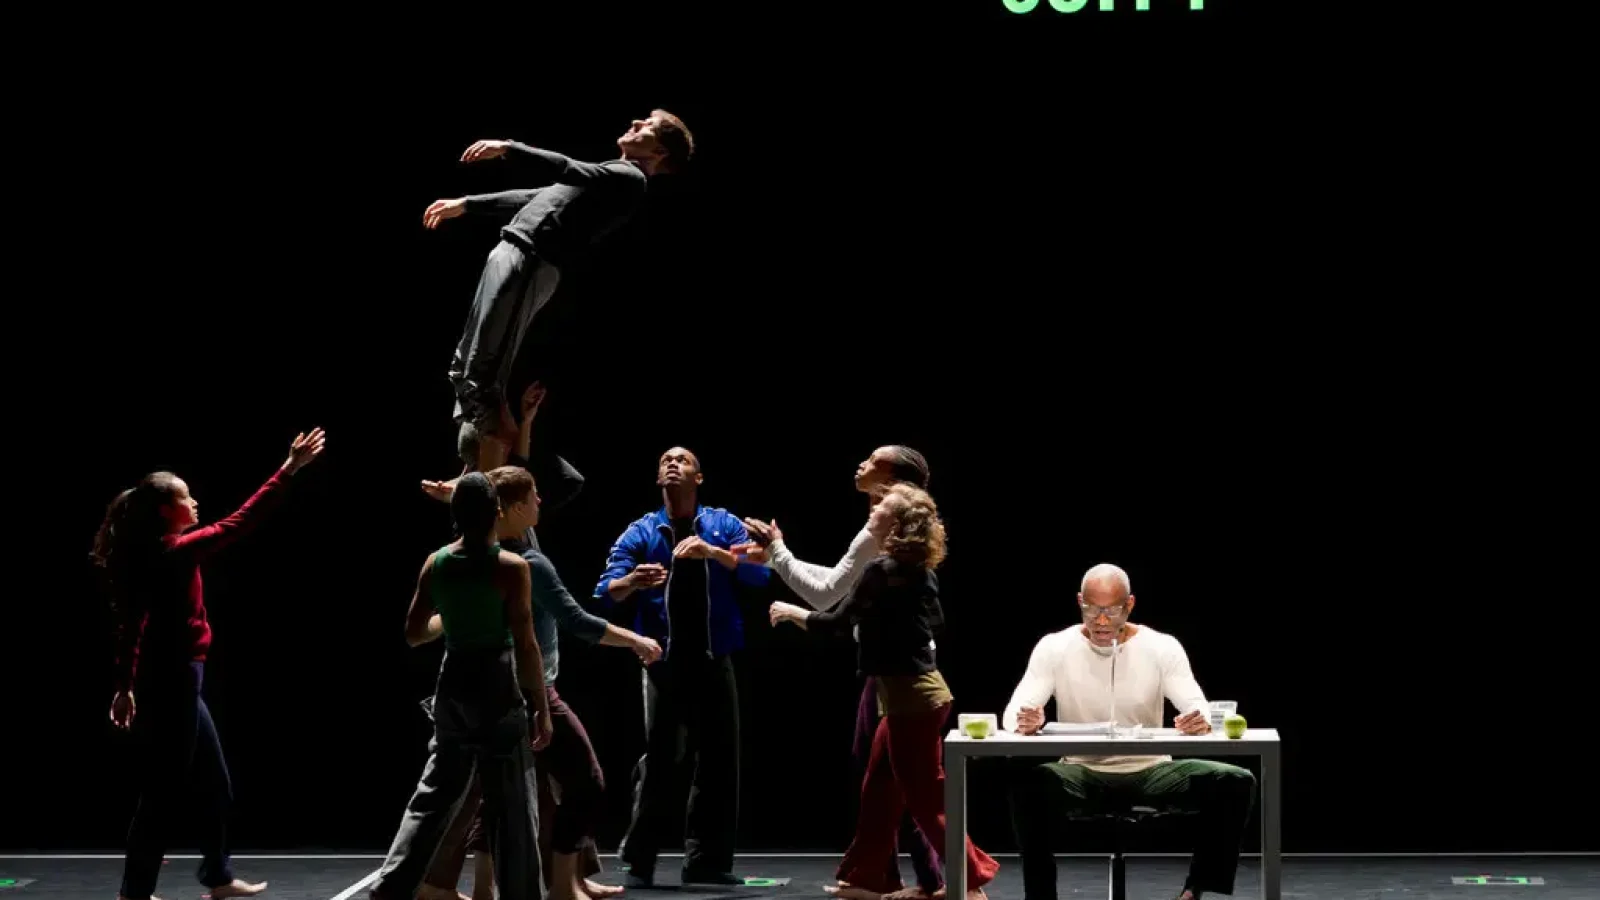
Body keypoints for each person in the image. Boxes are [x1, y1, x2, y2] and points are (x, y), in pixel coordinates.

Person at [92, 427, 326, 900]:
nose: (195, 502)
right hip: (175, 682)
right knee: (163, 793)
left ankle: (216, 878)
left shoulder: (152, 555)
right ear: (165, 511)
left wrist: (124, 686)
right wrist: (288, 470)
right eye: (187, 497)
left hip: (180, 681)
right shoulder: (173, 553)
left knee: (215, 784)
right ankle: (135, 891)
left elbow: (130, 627)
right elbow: (240, 522)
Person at [422, 465, 663, 900]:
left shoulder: (487, 557)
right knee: (584, 780)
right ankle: (561, 888)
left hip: (490, 688)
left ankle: (492, 887)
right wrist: (635, 641)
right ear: (511, 508)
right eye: (534, 495)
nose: (541, 501)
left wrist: (459, 492)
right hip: (528, 691)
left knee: (498, 792)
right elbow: (575, 620)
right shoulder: (525, 563)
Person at [422, 110, 695, 467]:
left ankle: (495, 477)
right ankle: (480, 468)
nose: (635, 123)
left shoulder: (630, 178)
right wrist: (467, 204)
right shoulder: (608, 174)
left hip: (531, 263)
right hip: (513, 250)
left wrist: (508, 147)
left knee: (483, 373)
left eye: (647, 126)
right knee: (465, 367)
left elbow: (566, 167)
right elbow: (538, 196)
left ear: (659, 151)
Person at [769, 484, 998, 900]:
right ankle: (867, 879)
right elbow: (937, 622)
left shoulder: (881, 570)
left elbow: (835, 622)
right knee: (878, 789)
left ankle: (970, 884)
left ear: (895, 524)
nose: (872, 513)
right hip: (914, 695)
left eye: (881, 509)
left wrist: (791, 613)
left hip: (914, 700)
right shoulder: (917, 571)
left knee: (927, 799)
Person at [735, 446, 944, 900]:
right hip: (895, 667)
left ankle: (926, 879)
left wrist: (779, 554)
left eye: (872, 460)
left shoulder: (880, 531)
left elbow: (829, 597)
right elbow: (842, 585)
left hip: (896, 672)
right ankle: (885, 877)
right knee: (882, 773)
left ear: (890, 478)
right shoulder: (892, 524)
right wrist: (776, 559)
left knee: (896, 776)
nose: (861, 464)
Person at [1001, 564, 1257, 900]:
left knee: (1236, 780)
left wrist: (1199, 719)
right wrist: (1025, 721)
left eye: (1112, 610)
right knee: (1027, 786)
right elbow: (1011, 715)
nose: (1102, 621)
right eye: (1092, 609)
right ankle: (1042, 896)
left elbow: (1198, 704)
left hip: (1152, 771)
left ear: (1130, 605)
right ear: (1080, 602)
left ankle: (1195, 890)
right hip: (1079, 772)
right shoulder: (1054, 647)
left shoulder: (1161, 647)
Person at [369, 474, 555, 900]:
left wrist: (449, 619)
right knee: (513, 805)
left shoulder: (436, 563)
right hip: (495, 679)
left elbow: (415, 633)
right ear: (497, 513)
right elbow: (526, 643)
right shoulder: (511, 567)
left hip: (453, 680)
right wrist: (541, 707)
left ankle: (389, 889)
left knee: (432, 798)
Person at [590, 447, 771, 886]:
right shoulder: (642, 531)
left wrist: (712, 552)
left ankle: (707, 862)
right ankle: (639, 859)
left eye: (683, 459)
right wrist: (633, 581)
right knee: (663, 759)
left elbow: (758, 570)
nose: (672, 463)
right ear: (658, 478)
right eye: (665, 460)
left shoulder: (722, 524)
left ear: (699, 477)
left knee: (719, 761)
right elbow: (604, 592)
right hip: (662, 663)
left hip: (714, 657)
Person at [426, 382, 586, 555]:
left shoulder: (500, 488)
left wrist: (526, 422)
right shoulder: (481, 511)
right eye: (505, 443)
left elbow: (518, 464)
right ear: (485, 447)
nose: (513, 438)